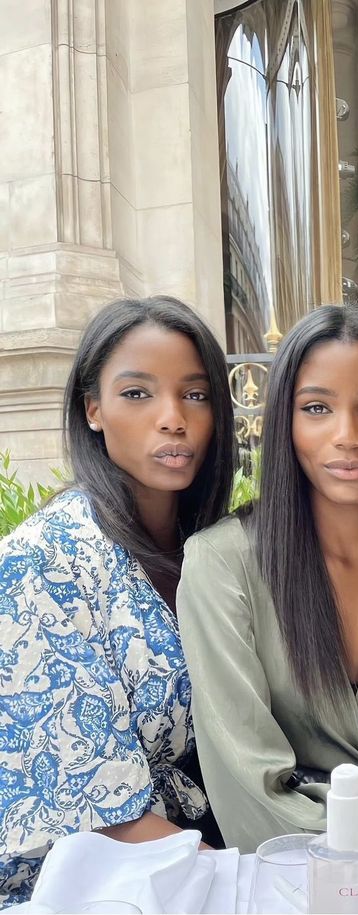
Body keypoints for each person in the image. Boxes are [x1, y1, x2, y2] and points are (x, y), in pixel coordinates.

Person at [178, 304, 358, 852]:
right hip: (299, 873)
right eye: (318, 407)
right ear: (286, 422)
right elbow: (252, 790)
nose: (348, 435)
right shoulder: (221, 565)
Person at [0, 296, 234, 906]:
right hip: (92, 883)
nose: (172, 418)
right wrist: (254, 883)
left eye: (196, 394)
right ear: (93, 410)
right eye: (138, 394)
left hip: (203, 858)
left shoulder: (213, 551)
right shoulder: (41, 563)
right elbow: (103, 812)